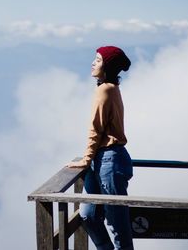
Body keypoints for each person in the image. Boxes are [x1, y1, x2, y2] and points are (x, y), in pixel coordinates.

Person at [67, 46, 134, 250]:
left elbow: (96, 129)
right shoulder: (110, 87)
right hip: (103, 160)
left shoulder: (105, 89)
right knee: (88, 215)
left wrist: (85, 160)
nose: (93, 63)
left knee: (117, 224)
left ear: (108, 66)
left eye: (98, 60)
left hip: (109, 161)